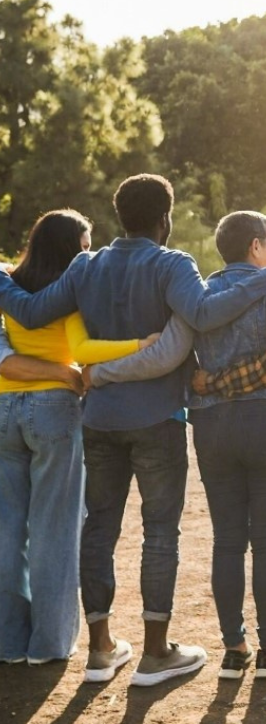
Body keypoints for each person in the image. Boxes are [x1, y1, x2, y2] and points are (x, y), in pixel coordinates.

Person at [0, 174, 266, 686]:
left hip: (99, 419)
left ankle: (100, 650)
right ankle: (156, 653)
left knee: (99, 528)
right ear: (166, 217)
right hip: (158, 419)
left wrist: (1, 278)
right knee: (159, 533)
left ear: (119, 216)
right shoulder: (173, 264)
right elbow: (203, 313)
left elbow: (28, 308)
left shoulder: (84, 265)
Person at [86, 211, 266, 680]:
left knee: (227, 540)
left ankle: (234, 649)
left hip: (213, 425)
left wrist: (101, 373)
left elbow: (167, 355)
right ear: (256, 247)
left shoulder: (198, 295)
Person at [0, 210, 157, 666]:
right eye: (85, 246)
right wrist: (138, 345)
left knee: (7, 529)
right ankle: (49, 645)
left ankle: (8, 642)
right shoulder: (68, 295)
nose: (88, 255)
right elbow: (85, 350)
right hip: (54, 407)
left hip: (4, 406)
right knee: (56, 529)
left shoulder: (9, 286)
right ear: (69, 248)